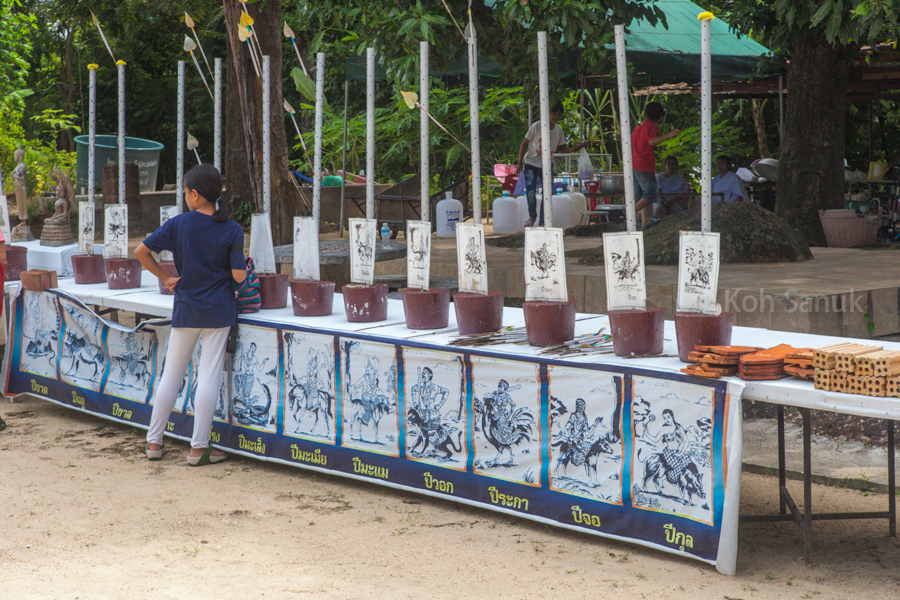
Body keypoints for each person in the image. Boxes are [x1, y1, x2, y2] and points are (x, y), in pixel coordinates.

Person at [136, 164, 246, 466]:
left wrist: (166, 278)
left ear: (196, 195)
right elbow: (238, 275)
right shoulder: (232, 229)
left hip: (186, 307)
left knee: (171, 375)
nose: (185, 196)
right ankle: (198, 449)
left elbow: (141, 252)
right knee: (207, 377)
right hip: (219, 310)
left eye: (185, 191)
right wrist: (238, 281)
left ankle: (154, 442)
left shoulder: (179, 224)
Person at [515, 101, 587, 227]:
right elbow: (523, 144)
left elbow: (560, 148)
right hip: (531, 164)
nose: (556, 117)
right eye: (553, 114)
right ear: (547, 113)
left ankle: (543, 221)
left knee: (547, 194)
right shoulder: (536, 127)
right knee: (531, 192)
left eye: (558, 115)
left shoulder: (558, 130)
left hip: (547, 165)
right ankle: (532, 216)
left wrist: (571, 149)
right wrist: (519, 163)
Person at [631, 102, 681, 229]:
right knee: (651, 194)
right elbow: (652, 141)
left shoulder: (637, 129)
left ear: (644, 115)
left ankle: (645, 220)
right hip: (644, 165)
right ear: (661, 118)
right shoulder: (651, 127)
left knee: (643, 195)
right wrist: (668, 135)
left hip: (634, 165)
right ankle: (630, 212)